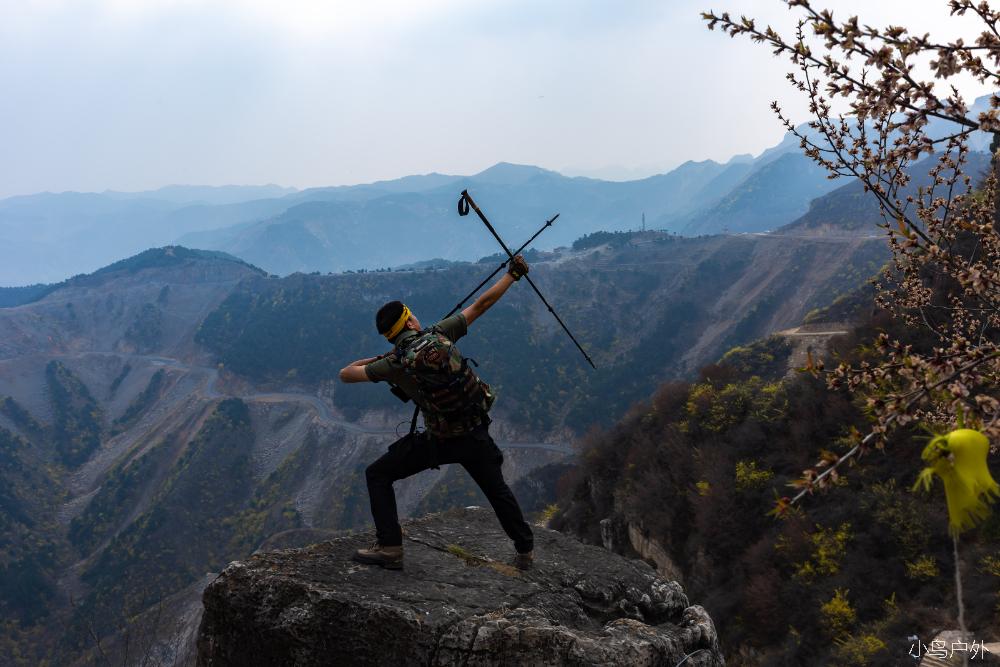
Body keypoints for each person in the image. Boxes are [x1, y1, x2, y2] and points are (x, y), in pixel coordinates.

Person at [338, 255, 535, 571]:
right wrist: (513, 274)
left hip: (438, 440)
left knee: (378, 474)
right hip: (474, 433)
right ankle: (525, 550)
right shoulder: (442, 333)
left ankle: (390, 547)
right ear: (410, 322)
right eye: (412, 316)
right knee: (497, 491)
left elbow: (346, 374)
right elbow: (482, 304)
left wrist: (380, 359)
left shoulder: (393, 363)